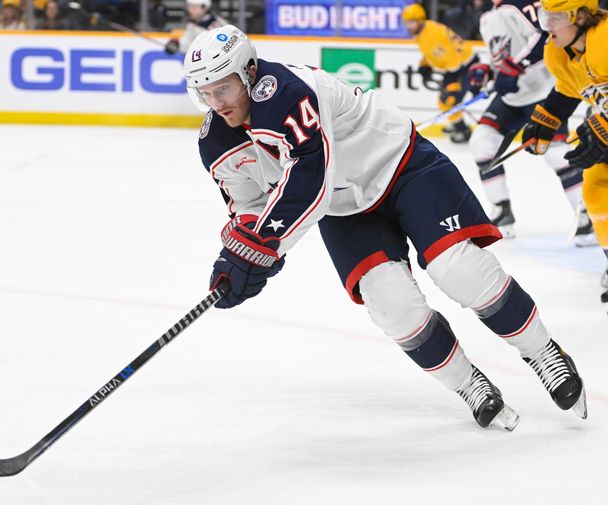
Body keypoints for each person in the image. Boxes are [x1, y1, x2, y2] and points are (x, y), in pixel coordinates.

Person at [185, 25, 587, 429]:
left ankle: (543, 351)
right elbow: (250, 207)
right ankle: (468, 384)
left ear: (250, 73)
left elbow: (310, 180)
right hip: (346, 209)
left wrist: (262, 246)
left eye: (224, 88)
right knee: (392, 306)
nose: (216, 103)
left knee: (459, 270)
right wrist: (237, 253)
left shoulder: (285, 91)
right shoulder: (214, 142)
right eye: (206, 93)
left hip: (402, 166)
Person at [466, 0, 595, 244]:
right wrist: (486, 70)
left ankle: (586, 215)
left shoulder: (523, 4)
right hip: (512, 98)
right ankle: (502, 211)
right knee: (482, 144)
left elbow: (545, 37)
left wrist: (516, 67)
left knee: (555, 154)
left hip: (544, 92)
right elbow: (499, 55)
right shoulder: (486, 17)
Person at [521, 0, 608, 301]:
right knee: (595, 190)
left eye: (555, 17)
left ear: (581, 16)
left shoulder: (605, 38)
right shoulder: (559, 50)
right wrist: (547, 116)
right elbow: (570, 89)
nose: (547, 26)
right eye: (545, 16)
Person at [403, 3, 477, 143]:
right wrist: (424, 65)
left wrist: (452, 82)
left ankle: (463, 130)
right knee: (447, 100)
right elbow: (431, 53)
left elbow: (454, 58)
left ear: (420, 19)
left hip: (465, 66)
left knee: (448, 100)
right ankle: (457, 123)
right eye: (406, 22)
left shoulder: (430, 35)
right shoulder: (425, 29)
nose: (409, 26)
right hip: (458, 65)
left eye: (411, 22)